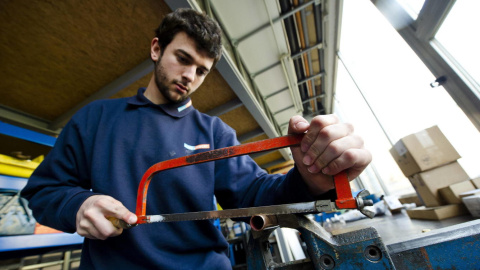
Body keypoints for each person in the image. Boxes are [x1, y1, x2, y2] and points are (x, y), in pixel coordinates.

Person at [21, 8, 371, 269]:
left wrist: (309, 179)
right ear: (157, 49)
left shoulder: (215, 132)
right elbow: (43, 191)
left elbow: (257, 195)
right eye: (182, 59)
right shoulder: (96, 118)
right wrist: (77, 205)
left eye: (202, 70)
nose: (189, 76)